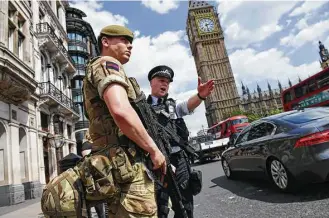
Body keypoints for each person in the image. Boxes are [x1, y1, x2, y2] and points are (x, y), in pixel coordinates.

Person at [82, 25, 166, 218]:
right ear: (105, 42)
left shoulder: (105, 67)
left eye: (131, 43)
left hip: (120, 164)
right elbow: (121, 110)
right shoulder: (107, 63)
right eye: (124, 41)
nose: (130, 46)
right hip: (124, 164)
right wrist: (154, 150)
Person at [147, 65, 214, 218]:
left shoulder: (172, 107)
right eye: (161, 80)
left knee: (185, 207)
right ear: (151, 82)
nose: (165, 84)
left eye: (168, 82)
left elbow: (187, 106)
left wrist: (201, 96)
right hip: (156, 164)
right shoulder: (143, 108)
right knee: (160, 208)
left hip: (179, 161)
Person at [81, 140, 107, 218]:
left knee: (99, 212)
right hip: (93, 191)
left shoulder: (84, 164)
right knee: (100, 213)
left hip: (92, 191)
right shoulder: (95, 161)